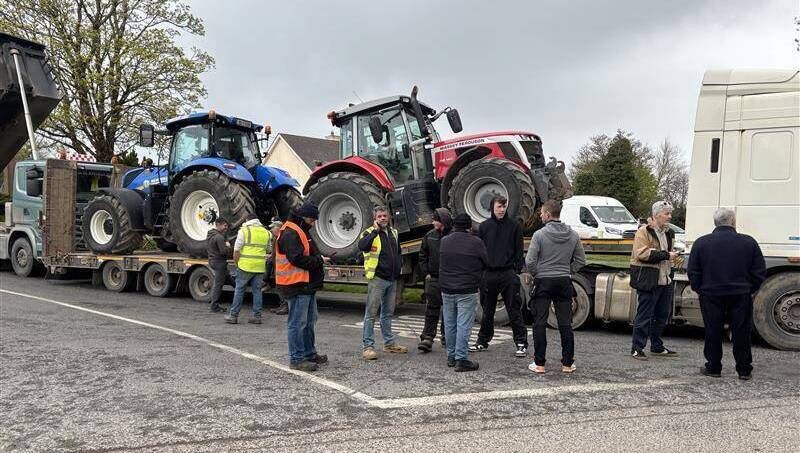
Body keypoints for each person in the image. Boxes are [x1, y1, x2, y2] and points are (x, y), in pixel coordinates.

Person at [688, 208, 766, 380]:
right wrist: (749, 289)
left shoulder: (701, 243)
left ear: (715, 222)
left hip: (711, 294)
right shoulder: (748, 242)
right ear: (733, 222)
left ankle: (714, 367)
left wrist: (700, 289)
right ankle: (744, 370)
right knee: (741, 332)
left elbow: (693, 271)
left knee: (712, 330)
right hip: (740, 294)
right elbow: (759, 271)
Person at [525, 200, 586, 374]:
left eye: (542, 213)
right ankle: (567, 364)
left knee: (540, 322)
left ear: (549, 215)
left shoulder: (539, 235)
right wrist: (568, 270)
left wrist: (537, 273)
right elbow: (581, 260)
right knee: (565, 323)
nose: (541, 216)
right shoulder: (573, 235)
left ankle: (539, 364)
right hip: (563, 281)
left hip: (544, 281)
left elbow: (530, 261)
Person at [275, 203, 330, 372]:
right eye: (312, 219)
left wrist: (318, 258)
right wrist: (319, 261)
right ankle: (297, 358)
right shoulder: (292, 232)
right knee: (297, 323)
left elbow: (304, 253)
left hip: (305, 284)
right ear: (305, 217)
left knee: (308, 321)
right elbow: (297, 259)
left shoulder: (298, 229)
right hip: (296, 285)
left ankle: (309, 353)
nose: (313, 223)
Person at [471, 196, 528, 357]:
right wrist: (481, 272)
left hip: (508, 273)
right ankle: (482, 341)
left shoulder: (514, 226)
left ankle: (521, 343)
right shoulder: (483, 227)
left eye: (504, 207)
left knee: (513, 309)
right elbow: (479, 251)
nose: (502, 210)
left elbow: (519, 250)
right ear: (492, 208)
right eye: (499, 207)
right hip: (488, 274)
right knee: (487, 311)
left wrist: (516, 271)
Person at [629, 201, 679, 360]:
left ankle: (657, 346)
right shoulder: (643, 232)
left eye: (670, 213)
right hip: (649, 280)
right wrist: (666, 255)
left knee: (662, 315)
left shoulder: (669, 233)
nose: (669, 217)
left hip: (665, 280)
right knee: (644, 315)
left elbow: (663, 254)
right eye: (667, 213)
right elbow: (642, 254)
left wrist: (673, 257)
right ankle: (637, 348)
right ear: (657, 215)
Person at [440, 213, 488, 372]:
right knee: (463, 325)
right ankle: (461, 358)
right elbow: (485, 262)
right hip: (467, 289)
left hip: (446, 288)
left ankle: (451, 356)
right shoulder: (476, 242)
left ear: (454, 225)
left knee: (450, 323)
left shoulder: (444, 241)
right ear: (469, 227)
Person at [358, 206, 407, 360]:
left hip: (391, 279)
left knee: (387, 314)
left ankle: (389, 343)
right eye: (379, 216)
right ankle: (368, 347)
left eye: (385, 216)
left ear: (389, 217)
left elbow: (398, 252)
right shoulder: (368, 233)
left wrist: (398, 268)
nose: (383, 218)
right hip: (377, 278)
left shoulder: (394, 233)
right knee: (371, 314)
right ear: (375, 219)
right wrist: (375, 231)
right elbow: (362, 247)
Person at [225, 213, 271, 325]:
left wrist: (237, 263)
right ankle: (257, 316)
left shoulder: (244, 231)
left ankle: (233, 316)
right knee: (257, 291)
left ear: (247, 220)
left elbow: (236, 250)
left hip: (245, 266)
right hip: (259, 267)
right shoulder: (267, 233)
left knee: (239, 290)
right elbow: (268, 250)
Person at [417, 208, 452, 353]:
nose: (433, 222)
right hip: (434, 278)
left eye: (435, 220)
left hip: (450, 278)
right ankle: (428, 337)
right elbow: (422, 255)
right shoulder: (429, 236)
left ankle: (447, 337)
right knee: (431, 309)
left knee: (449, 311)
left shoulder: (453, 235)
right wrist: (426, 273)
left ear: (442, 221)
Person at [207, 218, 231, 313]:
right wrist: (228, 247)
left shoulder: (210, 235)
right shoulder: (219, 237)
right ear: (218, 225)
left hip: (213, 261)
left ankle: (240, 293)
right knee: (218, 285)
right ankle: (214, 306)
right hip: (219, 263)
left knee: (230, 280)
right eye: (225, 225)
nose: (226, 228)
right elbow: (223, 252)